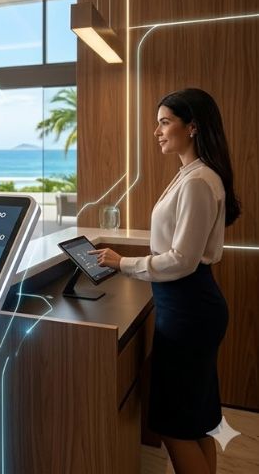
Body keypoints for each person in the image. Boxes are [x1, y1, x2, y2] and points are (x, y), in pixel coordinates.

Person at [91, 88, 239, 474]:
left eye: (164, 122)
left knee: (174, 425)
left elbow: (182, 260)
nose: (157, 131)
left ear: (192, 126)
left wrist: (123, 263)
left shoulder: (197, 181)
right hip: (186, 306)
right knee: (196, 421)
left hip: (189, 308)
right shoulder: (191, 174)